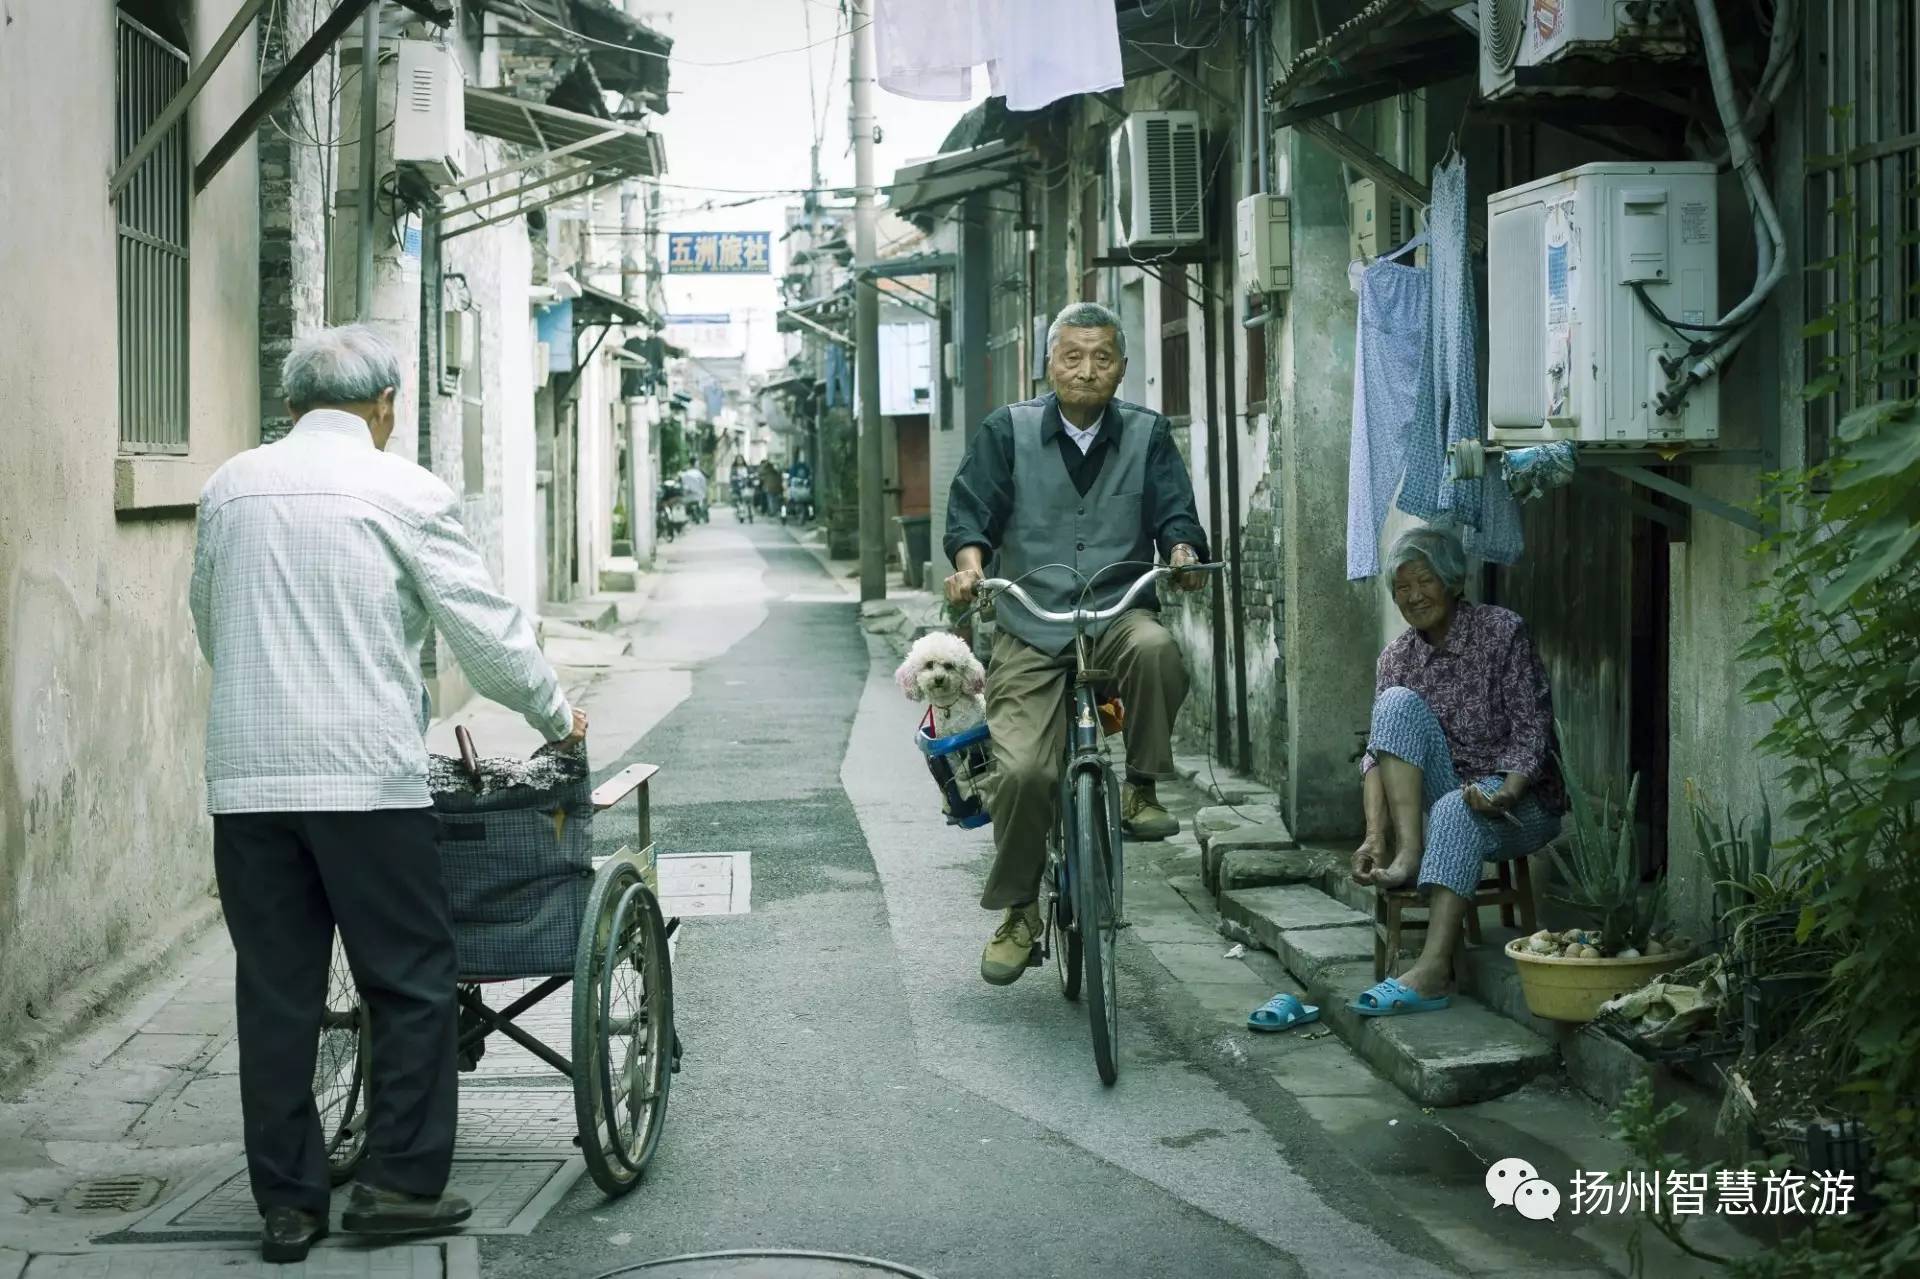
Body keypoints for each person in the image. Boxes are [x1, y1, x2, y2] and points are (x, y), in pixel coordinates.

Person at [190, 325, 588, 1263]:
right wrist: (552, 708)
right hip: (364, 779)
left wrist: (263, 697)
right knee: (409, 979)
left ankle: (288, 1205)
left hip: (249, 779)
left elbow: (211, 616)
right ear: (385, 408)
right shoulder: (404, 489)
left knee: (276, 991)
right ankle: (397, 1188)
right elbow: (483, 633)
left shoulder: (228, 487)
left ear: (290, 408)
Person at [943, 301, 1210, 986]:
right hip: (1032, 624)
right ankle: (1018, 911)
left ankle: (1143, 787)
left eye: (1102, 357)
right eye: (1072, 355)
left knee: (1156, 648)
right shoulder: (1009, 430)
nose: (1086, 369)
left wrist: (1181, 550)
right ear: (1048, 363)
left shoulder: (1148, 435)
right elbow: (973, 511)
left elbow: (1176, 510)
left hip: (1117, 610)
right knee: (1024, 773)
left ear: (1122, 367)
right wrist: (972, 569)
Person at [1344, 525, 1567, 1016]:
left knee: (1454, 809)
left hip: (1519, 801)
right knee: (1395, 706)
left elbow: (1533, 730)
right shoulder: (1397, 658)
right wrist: (1371, 838)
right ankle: (1406, 851)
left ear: (1451, 581)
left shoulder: (1502, 632)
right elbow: (1377, 755)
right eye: (1402, 587)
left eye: (1424, 581)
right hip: (1447, 794)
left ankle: (1432, 970)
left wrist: (1506, 792)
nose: (1413, 596)